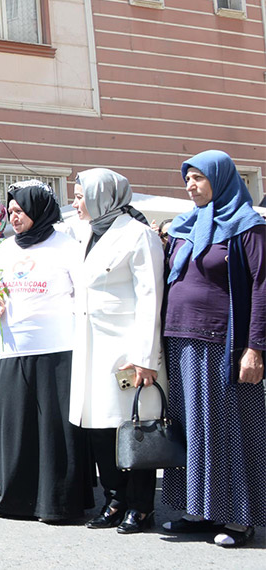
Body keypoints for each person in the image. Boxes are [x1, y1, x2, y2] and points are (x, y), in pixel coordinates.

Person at [161, 150, 265, 548]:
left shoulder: (246, 225)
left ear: (220, 179)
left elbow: (262, 287)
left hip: (223, 344)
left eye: (199, 178)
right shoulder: (184, 225)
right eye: (187, 178)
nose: (190, 185)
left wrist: (255, 348)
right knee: (192, 429)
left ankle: (240, 517)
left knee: (229, 430)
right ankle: (199, 510)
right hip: (181, 340)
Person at [0, 180, 91, 522]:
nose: (14, 217)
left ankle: (57, 503)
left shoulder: (66, 245)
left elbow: (83, 293)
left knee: (53, 431)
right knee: (13, 426)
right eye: (11, 211)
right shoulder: (6, 248)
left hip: (57, 347)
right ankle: (13, 498)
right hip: (13, 348)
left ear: (38, 210)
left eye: (21, 211)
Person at [67, 168, 165, 534]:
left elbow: (150, 296)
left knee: (133, 426)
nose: (75, 203)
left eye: (80, 196)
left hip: (125, 349)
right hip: (90, 346)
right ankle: (114, 499)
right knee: (98, 428)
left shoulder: (138, 235)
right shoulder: (85, 235)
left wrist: (145, 356)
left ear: (102, 198)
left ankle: (140, 506)